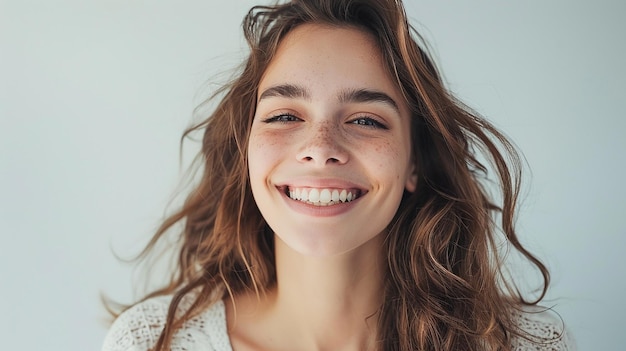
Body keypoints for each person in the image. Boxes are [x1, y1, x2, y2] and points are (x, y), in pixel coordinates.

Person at [102, 0, 575, 350]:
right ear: (246, 150)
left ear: (414, 161)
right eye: (284, 116)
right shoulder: (151, 343)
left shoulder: (525, 344)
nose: (320, 149)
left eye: (366, 120)